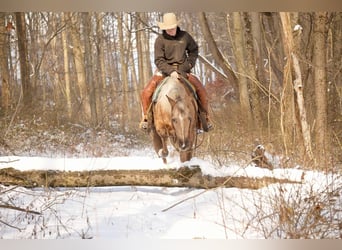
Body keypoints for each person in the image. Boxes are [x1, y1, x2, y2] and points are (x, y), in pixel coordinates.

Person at [140, 13, 213, 132]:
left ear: (176, 26)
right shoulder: (160, 40)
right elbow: (159, 60)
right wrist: (170, 71)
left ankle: (204, 119)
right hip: (164, 72)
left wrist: (187, 65)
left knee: (202, 91)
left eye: (172, 28)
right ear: (164, 28)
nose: (171, 30)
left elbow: (194, 51)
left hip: (184, 70)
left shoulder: (185, 37)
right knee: (146, 92)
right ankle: (146, 119)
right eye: (168, 28)